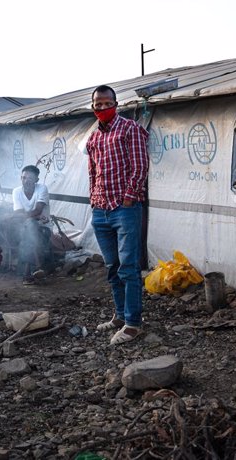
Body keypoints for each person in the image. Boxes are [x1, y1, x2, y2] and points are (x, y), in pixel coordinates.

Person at [86, 85, 149, 346]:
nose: (101, 107)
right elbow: (92, 172)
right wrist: (93, 200)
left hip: (124, 209)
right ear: (93, 107)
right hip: (100, 210)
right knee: (112, 267)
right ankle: (120, 316)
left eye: (106, 103)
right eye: (97, 104)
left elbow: (140, 166)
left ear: (116, 103)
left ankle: (134, 323)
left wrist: (129, 197)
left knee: (129, 267)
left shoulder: (129, 129)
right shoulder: (93, 138)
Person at [11, 164, 52, 285]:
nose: (26, 181)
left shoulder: (42, 188)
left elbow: (38, 210)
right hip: (23, 227)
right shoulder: (16, 191)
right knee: (29, 227)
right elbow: (19, 214)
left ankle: (27, 272)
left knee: (29, 227)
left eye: (29, 178)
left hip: (43, 228)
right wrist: (37, 217)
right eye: (23, 178)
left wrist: (36, 215)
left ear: (36, 180)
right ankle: (37, 267)